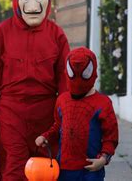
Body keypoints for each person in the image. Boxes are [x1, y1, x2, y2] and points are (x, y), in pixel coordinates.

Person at [0, 0, 70, 180]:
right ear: (17, 0)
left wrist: (67, 110)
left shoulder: (57, 34)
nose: (32, 3)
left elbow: (65, 76)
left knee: (45, 167)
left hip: (47, 112)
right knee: (13, 165)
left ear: (47, 1)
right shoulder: (2, 33)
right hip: (11, 111)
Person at [36, 47, 119, 181]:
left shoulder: (103, 103)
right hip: (63, 169)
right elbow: (58, 126)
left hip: (90, 169)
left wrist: (103, 159)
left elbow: (111, 137)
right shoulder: (62, 100)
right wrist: (45, 136)